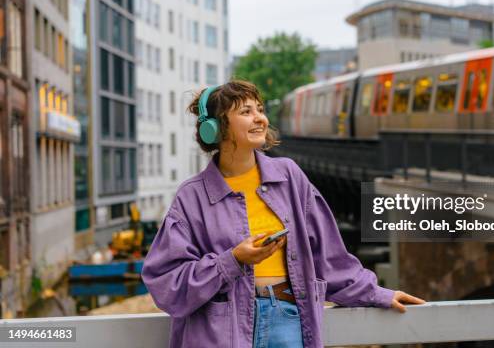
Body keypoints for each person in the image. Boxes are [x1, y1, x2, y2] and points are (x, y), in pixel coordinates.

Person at [141, 80, 426, 348]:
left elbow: (328, 257)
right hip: (220, 332)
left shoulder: (290, 176)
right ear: (215, 130)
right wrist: (232, 261)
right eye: (246, 111)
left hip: (289, 321)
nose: (260, 118)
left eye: (261, 110)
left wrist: (377, 294)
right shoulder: (192, 196)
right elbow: (166, 282)